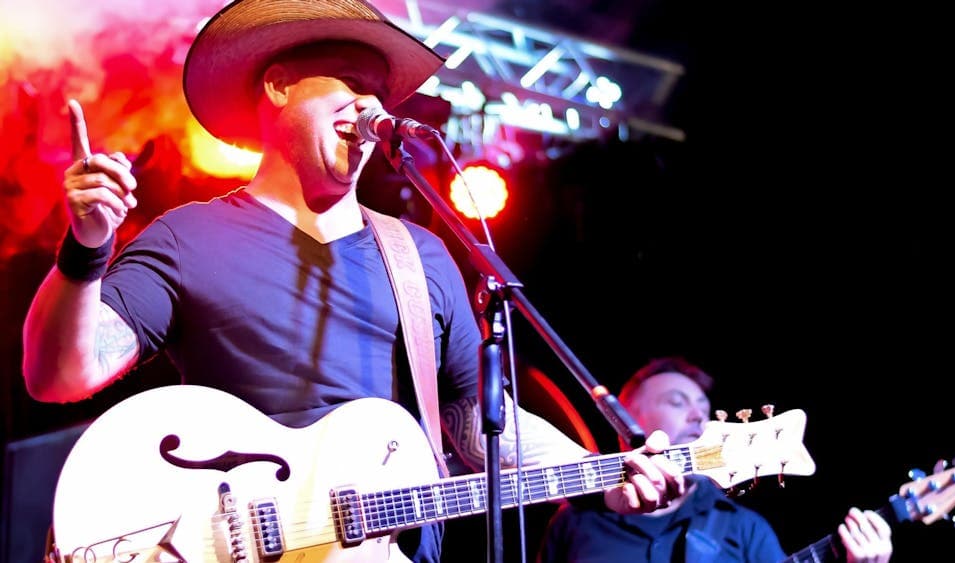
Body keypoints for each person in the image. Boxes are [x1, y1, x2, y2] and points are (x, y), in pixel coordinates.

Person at [20, 1, 684, 561]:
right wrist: (85, 247)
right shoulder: (190, 235)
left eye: (378, 94)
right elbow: (58, 372)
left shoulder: (418, 253)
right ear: (277, 85)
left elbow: (476, 418)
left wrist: (600, 477)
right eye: (347, 82)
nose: (370, 106)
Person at [537, 356, 894, 563]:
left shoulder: (745, 527)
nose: (697, 417)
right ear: (625, 418)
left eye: (704, 410)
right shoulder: (574, 521)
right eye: (677, 402)